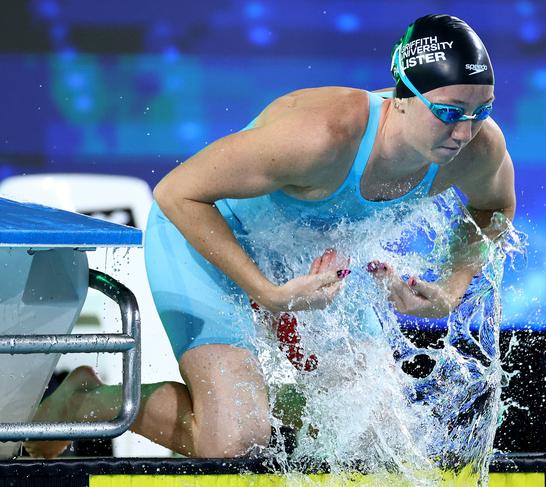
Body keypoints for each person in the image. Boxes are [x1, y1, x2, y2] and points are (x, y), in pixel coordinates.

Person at [26, 14, 515, 459]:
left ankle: (255, 397)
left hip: (311, 273)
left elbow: (495, 207)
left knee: (373, 437)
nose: (466, 131)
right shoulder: (323, 135)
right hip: (208, 244)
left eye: (482, 111)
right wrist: (265, 292)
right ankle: (88, 400)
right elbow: (178, 193)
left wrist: (450, 292)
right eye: (451, 112)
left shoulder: (478, 150)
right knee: (236, 442)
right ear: (403, 95)